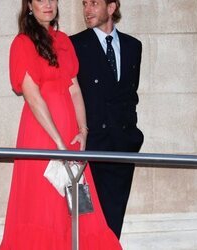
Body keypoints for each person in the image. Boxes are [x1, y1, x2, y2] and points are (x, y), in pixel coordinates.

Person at [0, 0, 122, 249]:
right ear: (29, 6)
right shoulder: (22, 43)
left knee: (79, 208)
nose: (48, 4)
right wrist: (57, 143)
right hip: (41, 135)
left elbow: (74, 88)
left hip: (70, 136)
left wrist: (83, 131)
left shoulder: (64, 40)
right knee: (43, 205)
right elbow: (32, 96)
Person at [70, 0, 144, 238]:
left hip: (123, 148)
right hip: (89, 151)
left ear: (111, 8)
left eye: (94, 3)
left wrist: (132, 138)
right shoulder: (75, 45)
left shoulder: (134, 46)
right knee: (84, 222)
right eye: (84, 4)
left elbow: (130, 95)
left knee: (114, 223)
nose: (87, 10)